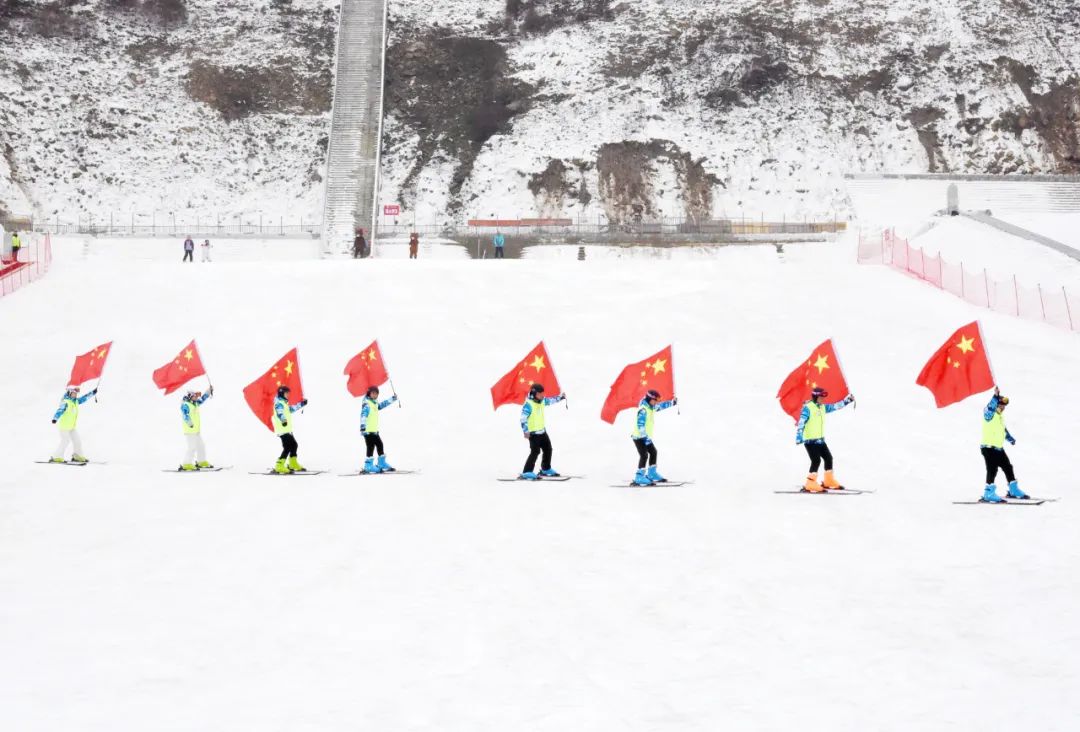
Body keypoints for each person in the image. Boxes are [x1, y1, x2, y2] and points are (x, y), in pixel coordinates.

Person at [795, 386, 855, 492]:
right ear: (815, 397)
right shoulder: (808, 408)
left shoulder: (822, 407)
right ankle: (810, 483)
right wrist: (799, 436)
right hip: (810, 441)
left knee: (828, 458)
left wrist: (847, 400)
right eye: (821, 397)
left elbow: (835, 406)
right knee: (816, 460)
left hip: (820, 440)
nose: (823, 399)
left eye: (823, 397)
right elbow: (801, 422)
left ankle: (828, 480)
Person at [980, 387, 1028, 502]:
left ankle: (1013, 490)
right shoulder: (988, 414)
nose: (1002, 408)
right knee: (992, 469)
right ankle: (988, 493)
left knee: (1008, 467)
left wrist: (1010, 438)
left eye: (1004, 407)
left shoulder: (999, 417)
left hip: (998, 448)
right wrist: (995, 397)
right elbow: (990, 407)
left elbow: (1003, 430)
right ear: (996, 405)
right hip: (988, 448)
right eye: (1000, 406)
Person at [519, 382, 566, 480]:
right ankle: (527, 471)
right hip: (533, 434)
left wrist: (560, 397)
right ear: (534, 394)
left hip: (542, 432)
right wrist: (525, 431)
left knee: (548, 449)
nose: (542, 395)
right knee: (535, 451)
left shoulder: (542, 401)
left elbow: (550, 401)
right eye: (540, 394)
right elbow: (523, 418)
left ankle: (546, 468)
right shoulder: (528, 405)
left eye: (543, 393)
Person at [630, 389, 678, 486]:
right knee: (644, 455)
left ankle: (651, 473)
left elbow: (661, 406)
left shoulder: (651, 407)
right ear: (650, 399)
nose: (656, 402)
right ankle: (639, 476)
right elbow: (640, 425)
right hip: (639, 437)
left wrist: (673, 402)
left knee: (653, 452)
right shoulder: (643, 409)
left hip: (645, 437)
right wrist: (645, 438)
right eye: (655, 400)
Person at [49, 385, 98, 463]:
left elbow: (83, 399)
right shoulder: (66, 402)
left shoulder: (75, 401)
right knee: (65, 441)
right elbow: (60, 410)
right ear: (69, 393)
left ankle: (77, 456)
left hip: (72, 427)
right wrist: (55, 418)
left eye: (76, 394)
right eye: (73, 393)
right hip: (64, 427)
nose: (75, 395)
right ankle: (56, 457)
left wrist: (92, 393)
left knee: (77, 441)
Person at [360, 385, 399, 473]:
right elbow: (363, 415)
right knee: (370, 447)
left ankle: (381, 463)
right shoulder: (367, 404)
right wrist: (363, 427)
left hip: (374, 431)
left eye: (376, 394)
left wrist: (392, 399)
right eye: (373, 393)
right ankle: (368, 465)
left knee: (380, 445)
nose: (374, 395)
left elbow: (382, 405)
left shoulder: (374, 403)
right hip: (368, 431)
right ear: (369, 393)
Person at [272, 385, 309, 474]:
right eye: (286, 393)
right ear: (281, 393)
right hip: (282, 429)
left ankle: (292, 463)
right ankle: (279, 465)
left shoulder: (284, 403)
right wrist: (283, 420)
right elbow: (279, 413)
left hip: (286, 429)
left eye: (288, 393)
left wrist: (302, 404)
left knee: (294, 445)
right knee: (288, 446)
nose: (288, 395)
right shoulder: (279, 404)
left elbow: (291, 409)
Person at [179, 387, 214, 471]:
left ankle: (201, 461)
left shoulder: (194, 403)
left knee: (201, 446)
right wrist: (189, 423)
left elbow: (202, 399)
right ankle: (186, 464)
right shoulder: (186, 404)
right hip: (189, 431)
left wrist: (208, 392)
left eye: (196, 396)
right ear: (190, 396)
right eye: (195, 396)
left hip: (196, 431)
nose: (196, 398)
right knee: (192, 447)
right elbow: (185, 415)